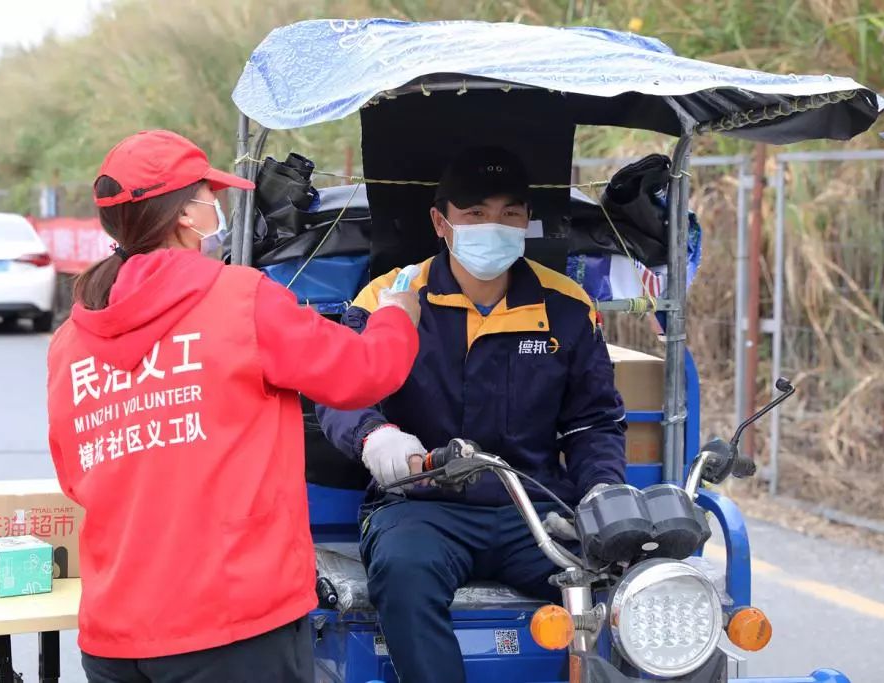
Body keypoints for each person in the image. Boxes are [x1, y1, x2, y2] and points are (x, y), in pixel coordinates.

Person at [46, 129, 421, 683]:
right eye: (207, 194)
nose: (214, 206)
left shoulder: (70, 342)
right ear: (184, 215)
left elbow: (76, 476)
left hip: (117, 632)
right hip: (234, 625)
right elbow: (362, 374)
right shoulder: (241, 300)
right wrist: (396, 316)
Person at [316, 146, 627, 683]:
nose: (494, 227)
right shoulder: (390, 296)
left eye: (509, 213)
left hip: (533, 511)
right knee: (404, 573)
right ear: (441, 222)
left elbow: (593, 421)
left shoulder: (567, 306)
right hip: (421, 507)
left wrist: (600, 494)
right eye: (475, 214)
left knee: (615, 586)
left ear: (527, 220)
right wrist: (375, 436)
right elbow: (340, 390)